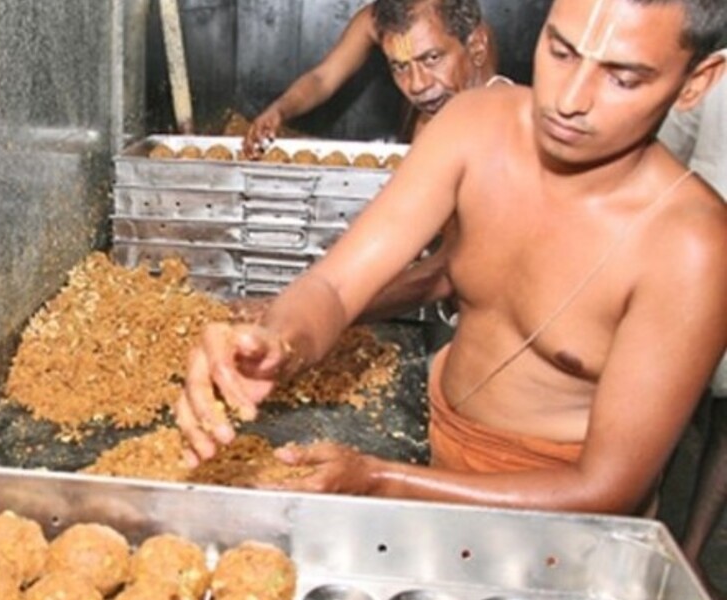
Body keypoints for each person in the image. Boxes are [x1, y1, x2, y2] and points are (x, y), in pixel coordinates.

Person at [176, 0, 727, 516]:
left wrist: (385, 480)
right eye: (560, 52)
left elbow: (605, 487)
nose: (569, 99)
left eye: (621, 77)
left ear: (695, 82)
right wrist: (278, 341)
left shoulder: (691, 247)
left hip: (563, 522)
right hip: (444, 458)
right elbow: (338, 287)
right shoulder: (472, 126)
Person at [243, 0, 500, 156]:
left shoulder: (471, 42)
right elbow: (323, 78)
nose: (417, 84)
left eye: (432, 58)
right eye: (399, 67)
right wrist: (280, 110)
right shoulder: (380, 19)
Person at [656, 53, 726, 599]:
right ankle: (654, 530)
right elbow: (663, 158)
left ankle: (694, 549)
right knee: (668, 410)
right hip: (689, 273)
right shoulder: (716, 79)